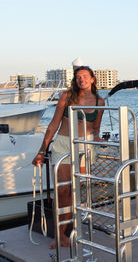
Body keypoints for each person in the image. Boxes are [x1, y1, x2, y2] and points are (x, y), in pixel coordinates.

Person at [32, 60, 103, 249]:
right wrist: (42, 150)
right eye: (78, 77)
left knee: (75, 193)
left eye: (85, 77)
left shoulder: (99, 102)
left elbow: (96, 129)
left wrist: (98, 138)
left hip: (85, 147)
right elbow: (54, 124)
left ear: (92, 79)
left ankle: (72, 231)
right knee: (62, 190)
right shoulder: (66, 97)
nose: (82, 80)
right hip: (63, 145)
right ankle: (60, 235)